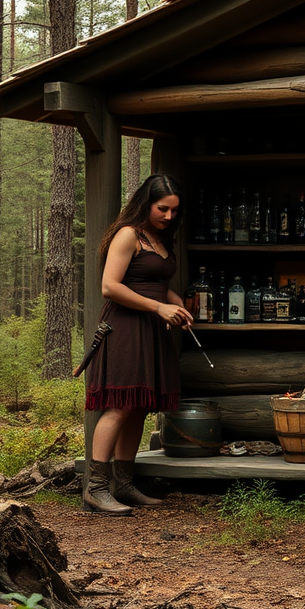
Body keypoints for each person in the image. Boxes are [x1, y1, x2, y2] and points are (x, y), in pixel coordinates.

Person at [83, 173, 193, 515]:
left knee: (139, 405)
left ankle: (125, 484)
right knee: (118, 404)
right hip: (125, 328)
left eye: (174, 211)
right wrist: (160, 307)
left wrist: (176, 303)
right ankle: (96, 488)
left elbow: (156, 284)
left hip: (151, 330)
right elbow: (110, 287)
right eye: (163, 209)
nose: (169, 217)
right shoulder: (128, 234)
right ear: (145, 203)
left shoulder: (159, 237)